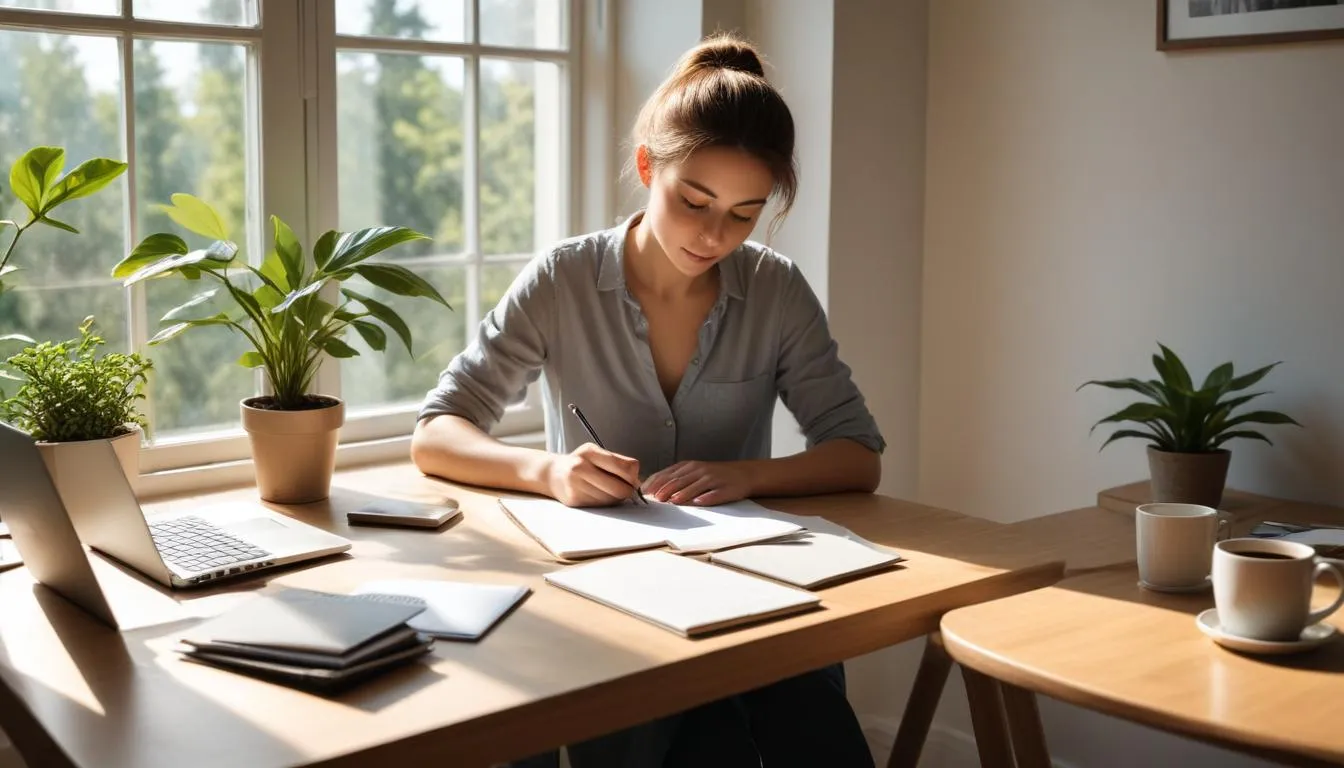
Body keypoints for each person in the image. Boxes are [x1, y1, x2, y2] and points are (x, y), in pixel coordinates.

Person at [412, 31, 883, 768]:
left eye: (743, 213)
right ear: (646, 168)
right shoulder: (563, 280)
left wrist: (746, 476)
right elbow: (437, 432)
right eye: (694, 201)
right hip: (604, 594)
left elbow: (857, 455)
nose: (714, 234)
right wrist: (549, 472)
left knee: (806, 720)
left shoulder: (776, 289)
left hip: (751, 593)